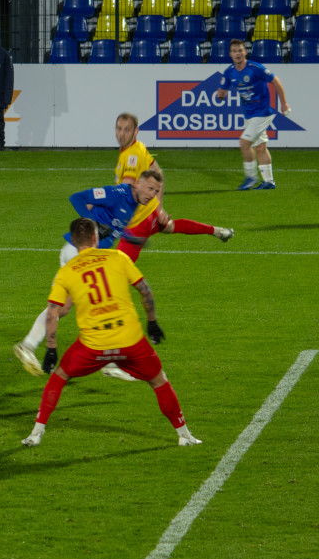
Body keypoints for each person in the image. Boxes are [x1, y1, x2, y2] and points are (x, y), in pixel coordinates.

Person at [22, 217, 200, 449]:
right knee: (159, 381)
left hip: (93, 345)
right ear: (96, 237)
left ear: (74, 243)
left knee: (59, 376)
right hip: (130, 340)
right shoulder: (117, 257)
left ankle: (36, 433)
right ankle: (184, 435)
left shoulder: (66, 272)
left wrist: (51, 350)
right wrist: (152, 322)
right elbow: (145, 290)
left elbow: (53, 313)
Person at [13, 170, 162, 376]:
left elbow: (112, 224)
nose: (152, 194)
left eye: (156, 191)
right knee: (97, 304)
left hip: (89, 256)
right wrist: (93, 222)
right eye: (150, 188)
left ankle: (30, 346)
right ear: (138, 184)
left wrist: (129, 236)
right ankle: (105, 362)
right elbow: (77, 198)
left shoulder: (134, 204)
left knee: (67, 308)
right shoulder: (116, 193)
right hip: (78, 252)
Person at [112, 112, 234, 263]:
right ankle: (217, 231)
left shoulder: (132, 156)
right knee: (169, 226)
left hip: (138, 222)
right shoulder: (139, 146)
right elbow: (158, 172)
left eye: (127, 130)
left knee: (117, 269)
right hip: (151, 212)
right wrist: (159, 208)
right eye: (119, 129)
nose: (121, 134)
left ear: (136, 131)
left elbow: (125, 190)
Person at [214, 38, 290, 191]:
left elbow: (276, 81)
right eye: (235, 51)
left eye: (240, 50)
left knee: (244, 143)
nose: (238, 54)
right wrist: (220, 95)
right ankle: (269, 182)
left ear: (245, 52)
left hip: (262, 113)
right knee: (260, 147)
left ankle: (251, 177)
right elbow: (221, 93)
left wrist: (284, 103)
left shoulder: (256, 68)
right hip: (249, 114)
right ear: (230, 54)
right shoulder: (229, 72)